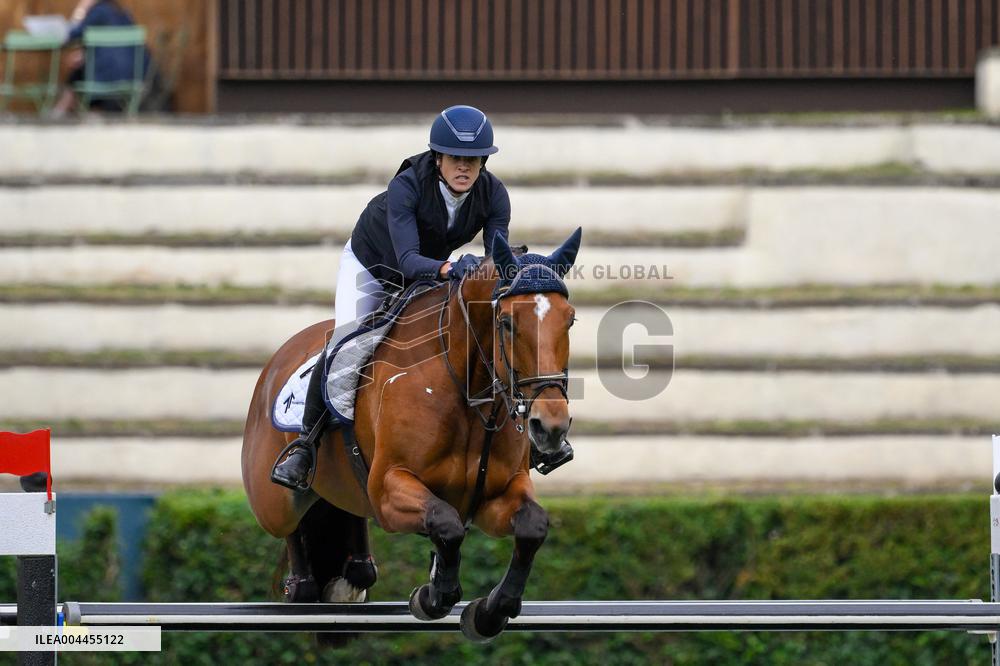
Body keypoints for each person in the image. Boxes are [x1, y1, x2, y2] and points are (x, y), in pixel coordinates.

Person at [273, 105, 539, 491]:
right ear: (437, 159)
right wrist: (450, 269)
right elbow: (408, 260)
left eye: (473, 160)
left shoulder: (494, 193)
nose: (464, 167)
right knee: (348, 340)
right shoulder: (408, 186)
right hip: (373, 268)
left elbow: (494, 257)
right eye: (455, 159)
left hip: (430, 269)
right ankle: (305, 446)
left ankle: (529, 437)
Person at [50, 0, 151, 117]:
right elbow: (117, 48)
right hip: (133, 75)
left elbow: (71, 35)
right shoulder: (122, 12)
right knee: (83, 68)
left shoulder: (98, 11)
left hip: (105, 77)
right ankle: (72, 110)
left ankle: (60, 111)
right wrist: (87, 53)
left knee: (78, 73)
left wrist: (80, 12)